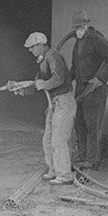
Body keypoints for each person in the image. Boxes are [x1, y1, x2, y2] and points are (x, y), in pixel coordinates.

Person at [23, 31, 76, 186]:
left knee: (58, 140)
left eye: (32, 47)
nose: (30, 50)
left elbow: (58, 79)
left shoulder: (52, 56)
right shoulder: (43, 60)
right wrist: (26, 88)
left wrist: (43, 85)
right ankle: (53, 170)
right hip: (54, 104)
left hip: (63, 103)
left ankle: (65, 175)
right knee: (48, 140)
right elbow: (39, 82)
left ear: (41, 45)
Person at [69, 10, 108, 169]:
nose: (78, 30)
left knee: (92, 126)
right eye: (76, 27)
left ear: (86, 24)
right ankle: (83, 157)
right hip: (81, 89)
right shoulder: (77, 43)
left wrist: (100, 78)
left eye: (81, 26)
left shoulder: (97, 40)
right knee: (80, 125)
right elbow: (75, 67)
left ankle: (92, 160)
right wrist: (65, 81)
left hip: (95, 90)